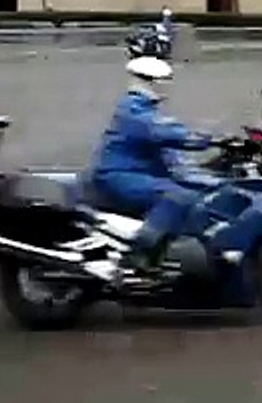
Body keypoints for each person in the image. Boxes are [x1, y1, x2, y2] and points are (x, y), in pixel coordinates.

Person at [89, 56, 213, 274]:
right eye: (162, 80)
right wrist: (211, 139)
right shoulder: (133, 109)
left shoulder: (146, 109)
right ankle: (141, 253)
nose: (167, 86)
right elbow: (166, 132)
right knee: (177, 196)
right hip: (120, 175)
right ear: (150, 82)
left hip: (140, 174)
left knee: (198, 190)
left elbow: (169, 147)